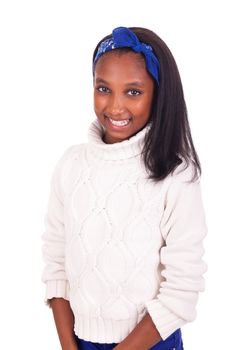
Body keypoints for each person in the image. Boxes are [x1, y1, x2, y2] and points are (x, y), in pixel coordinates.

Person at [42, 26, 207, 350]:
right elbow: (55, 261)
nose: (115, 107)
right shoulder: (71, 165)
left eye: (133, 92)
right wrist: (68, 345)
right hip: (79, 342)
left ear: (157, 94)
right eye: (104, 88)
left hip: (150, 342)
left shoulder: (176, 175)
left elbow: (181, 291)